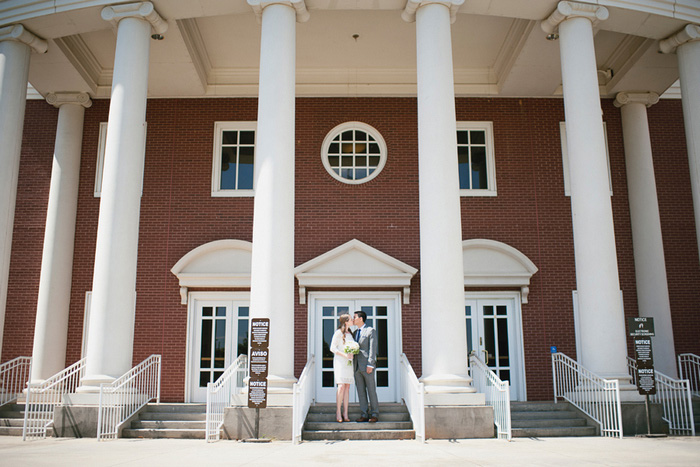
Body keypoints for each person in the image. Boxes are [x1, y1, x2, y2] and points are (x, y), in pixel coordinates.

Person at [353, 310, 379, 423]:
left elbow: (373, 349)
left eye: (354, 317)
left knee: (371, 390)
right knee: (360, 391)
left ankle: (374, 414)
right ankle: (364, 414)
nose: (353, 320)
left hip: (367, 366)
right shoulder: (354, 333)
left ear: (360, 318)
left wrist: (370, 364)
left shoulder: (370, 331)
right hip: (356, 366)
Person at [329, 313, 355, 423]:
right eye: (350, 319)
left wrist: (353, 353)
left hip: (349, 363)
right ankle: (338, 411)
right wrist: (345, 355)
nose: (353, 320)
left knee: (347, 387)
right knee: (341, 386)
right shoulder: (338, 333)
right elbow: (332, 348)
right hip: (340, 362)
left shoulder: (351, 334)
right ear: (346, 321)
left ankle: (346, 413)